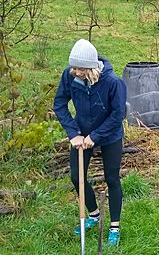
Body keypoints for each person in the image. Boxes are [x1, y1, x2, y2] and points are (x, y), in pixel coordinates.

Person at [53, 39, 127, 246]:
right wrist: (73, 133)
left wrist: (95, 137)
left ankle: (114, 226)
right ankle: (94, 215)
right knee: (77, 178)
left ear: (91, 68)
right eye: (74, 67)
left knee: (112, 178)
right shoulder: (70, 77)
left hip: (110, 134)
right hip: (81, 133)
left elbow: (118, 114)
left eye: (80, 68)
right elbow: (59, 104)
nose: (75, 72)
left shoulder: (113, 82)